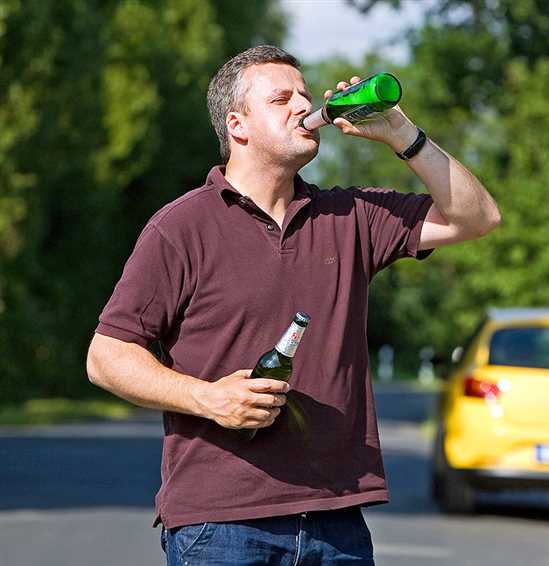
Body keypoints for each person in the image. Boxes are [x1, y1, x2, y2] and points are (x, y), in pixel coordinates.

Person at [85, 45, 500, 565]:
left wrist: (402, 134)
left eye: (304, 95)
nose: (302, 106)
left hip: (337, 522)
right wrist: (206, 398)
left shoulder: (352, 217)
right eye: (281, 98)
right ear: (238, 125)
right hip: (221, 526)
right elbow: (106, 356)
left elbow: (477, 218)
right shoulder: (180, 227)